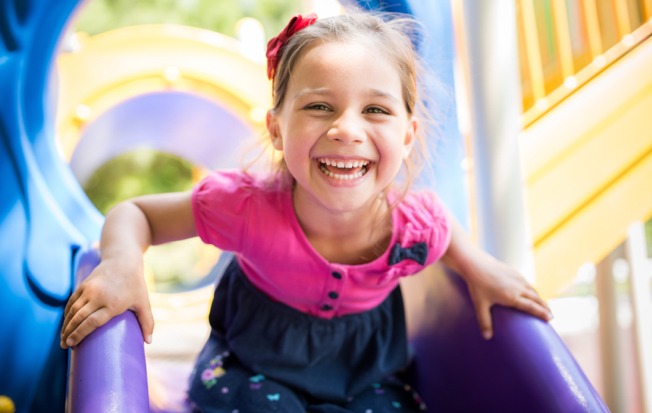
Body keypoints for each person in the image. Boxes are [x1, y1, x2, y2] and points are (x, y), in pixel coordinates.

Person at [61, 11, 552, 413]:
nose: (347, 129)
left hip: (366, 376)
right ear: (276, 129)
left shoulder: (412, 226)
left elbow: (445, 232)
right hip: (252, 366)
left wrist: (479, 265)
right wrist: (123, 264)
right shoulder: (246, 207)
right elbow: (136, 214)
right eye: (319, 106)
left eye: (376, 111)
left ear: (407, 135)